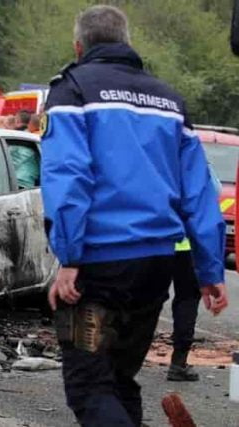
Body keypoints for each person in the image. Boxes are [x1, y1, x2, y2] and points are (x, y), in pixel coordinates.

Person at [42, 5, 226, 426]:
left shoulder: (73, 91)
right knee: (120, 377)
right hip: (155, 266)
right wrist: (210, 270)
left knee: (90, 384)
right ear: (127, 44)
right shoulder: (169, 100)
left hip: (99, 266)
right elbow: (198, 191)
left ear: (79, 46)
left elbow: (69, 177)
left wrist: (69, 258)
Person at [167, 165, 222, 382]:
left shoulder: (153, 159)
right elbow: (214, 190)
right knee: (187, 301)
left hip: (156, 243)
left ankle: (126, 357)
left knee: (146, 300)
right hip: (187, 245)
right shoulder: (198, 165)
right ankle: (178, 363)